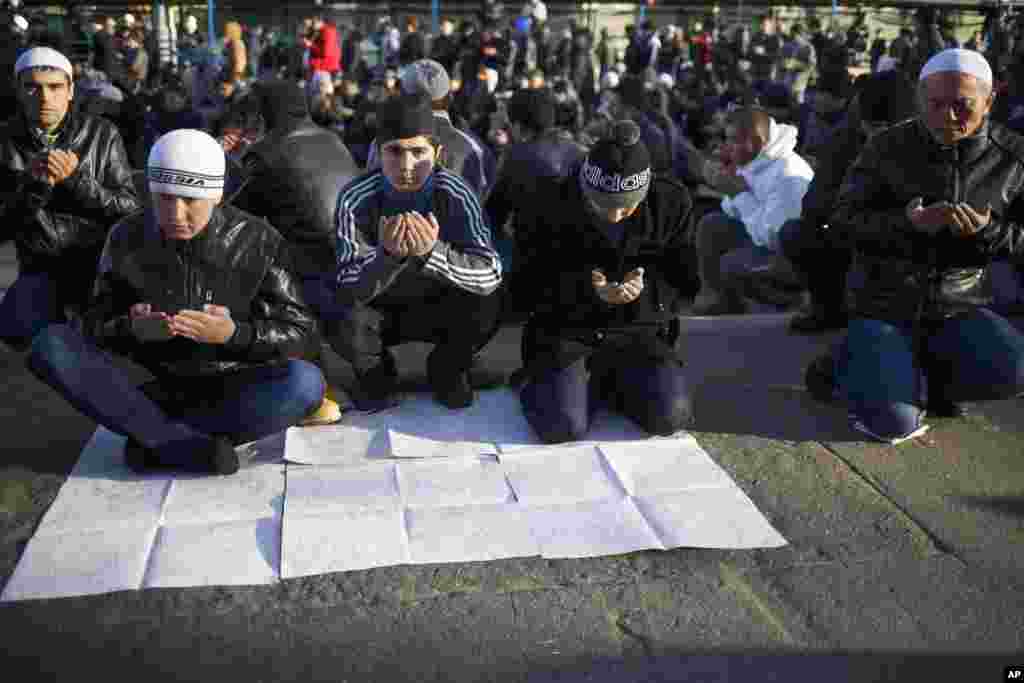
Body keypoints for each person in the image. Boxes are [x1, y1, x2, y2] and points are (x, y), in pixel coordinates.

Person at [27, 129, 324, 475]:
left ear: (214, 196)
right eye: (164, 199)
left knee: (305, 383)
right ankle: (180, 443)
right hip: (150, 384)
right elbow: (93, 324)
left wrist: (234, 334)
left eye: (189, 200)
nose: (175, 213)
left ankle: (157, 440)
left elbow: (302, 332)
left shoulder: (258, 240)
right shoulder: (125, 235)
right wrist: (131, 329)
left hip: (231, 385)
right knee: (51, 344)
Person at [811, 49, 1024, 442]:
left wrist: (988, 233)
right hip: (882, 307)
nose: (947, 116)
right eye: (935, 104)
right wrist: (905, 225)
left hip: (959, 309)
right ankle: (845, 362)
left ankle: (923, 376)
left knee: (1015, 370)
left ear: (991, 100)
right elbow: (838, 220)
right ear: (919, 100)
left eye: (963, 106)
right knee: (894, 424)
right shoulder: (885, 146)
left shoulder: (1015, 158)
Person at [513, 120, 696, 443]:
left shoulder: (671, 202)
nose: (613, 216)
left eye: (627, 207)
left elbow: (685, 281)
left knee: (671, 416)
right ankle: (565, 384)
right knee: (561, 426)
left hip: (640, 330)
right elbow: (524, 288)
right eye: (600, 204)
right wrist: (586, 289)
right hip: (568, 330)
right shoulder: (545, 202)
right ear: (583, 183)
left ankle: (603, 383)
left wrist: (644, 290)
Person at [326, 94, 503, 410]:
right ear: (378, 152)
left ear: (436, 153)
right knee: (336, 309)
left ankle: (448, 368)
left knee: (489, 300)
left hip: (440, 302)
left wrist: (432, 254)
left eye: (418, 152)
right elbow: (348, 278)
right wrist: (387, 257)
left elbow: (490, 270)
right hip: (382, 308)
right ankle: (378, 375)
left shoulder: (455, 192)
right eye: (394, 151)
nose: (407, 166)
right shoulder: (355, 197)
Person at [230, 79, 361, 424]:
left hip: (311, 270)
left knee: (247, 263)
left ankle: (315, 387)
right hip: (356, 258)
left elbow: (231, 215)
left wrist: (229, 158)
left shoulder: (265, 153)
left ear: (265, 113)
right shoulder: (333, 139)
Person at [0, 47, 140, 351]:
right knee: (23, 336)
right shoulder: (5, 141)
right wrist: (33, 188)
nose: (45, 97)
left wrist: (77, 182)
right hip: (40, 270)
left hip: (97, 268)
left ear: (71, 90)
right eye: (32, 87)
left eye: (54, 87)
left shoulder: (102, 133)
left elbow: (129, 210)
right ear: (18, 90)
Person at [781, 70, 917, 334]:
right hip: (853, 232)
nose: (879, 137)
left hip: (908, 242)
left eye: (886, 129)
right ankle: (828, 309)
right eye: (872, 128)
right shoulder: (845, 141)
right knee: (796, 234)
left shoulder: (926, 143)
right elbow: (814, 205)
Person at [691, 107, 813, 315]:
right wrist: (727, 181)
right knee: (711, 225)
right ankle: (719, 298)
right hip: (763, 238)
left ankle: (791, 299)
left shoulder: (787, 174)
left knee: (731, 265)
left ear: (755, 142)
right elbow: (734, 215)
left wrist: (738, 194)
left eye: (732, 140)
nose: (726, 147)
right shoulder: (756, 160)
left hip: (790, 258)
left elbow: (776, 237)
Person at [367, 59, 493, 200]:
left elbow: (371, 197)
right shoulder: (475, 149)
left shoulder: (382, 144)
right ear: (449, 98)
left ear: (401, 96)